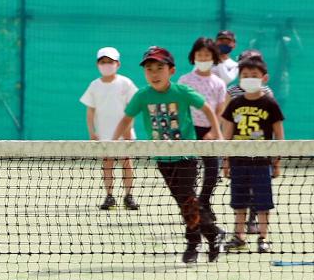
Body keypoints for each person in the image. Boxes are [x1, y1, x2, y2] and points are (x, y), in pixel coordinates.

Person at [116, 46, 225, 264]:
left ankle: (194, 243)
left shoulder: (182, 92)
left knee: (187, 200)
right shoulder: (142, 96)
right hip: (162, 160)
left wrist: (217, 133)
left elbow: (207, 109)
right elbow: (127, 119)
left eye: (159, 68)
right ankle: (213, 234)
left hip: (186, 157)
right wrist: (110, 143)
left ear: (171, 71)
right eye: (149, 69)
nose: (154, 73)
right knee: (184, 202)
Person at [219, 53, 287, 253]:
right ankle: (239, 236)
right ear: (240, 78)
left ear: (264, 78)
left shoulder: (270, 104)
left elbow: (279, 135)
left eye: (254, 74)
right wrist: (226, 160)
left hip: (262, 162)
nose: (249, 77)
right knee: (239, 201)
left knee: (263, 202)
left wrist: (277, 161)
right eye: (245, 74)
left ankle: (263, 238)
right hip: (239, 162)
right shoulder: (234, 103)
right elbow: (228, 134)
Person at [79, 46, 138, 210]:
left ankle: (129, 196)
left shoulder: (125, 83)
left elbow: (132, 107)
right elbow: (90, 110)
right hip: (104, 136)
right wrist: (92, 132)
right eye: (103, 62)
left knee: (127, 163)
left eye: (110, 62)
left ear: (117, 64)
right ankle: (109, 196)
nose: (106, 65)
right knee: (107, 164)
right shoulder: (94, 85)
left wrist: (129, 128)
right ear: (98, 65)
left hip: (124, 136)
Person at [178, 36, 230, 220]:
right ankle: (192, 206)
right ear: (194, 57)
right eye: (199, 55)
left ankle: (204, 201)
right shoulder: (184, 80)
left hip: (210, 131)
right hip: (189, 132)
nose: (203, 58)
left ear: (213, 57)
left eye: (207, 55)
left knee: (213, 170)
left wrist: (214, 130)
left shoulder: (219, 83)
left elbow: (220, 108)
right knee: (189, 170)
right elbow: (181, 107)